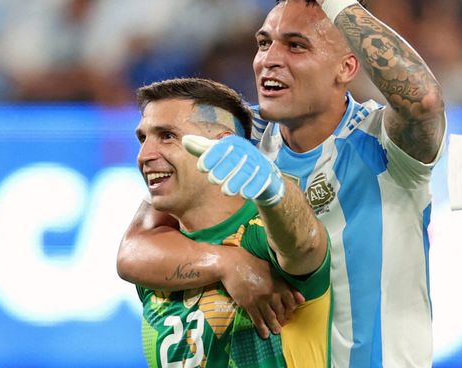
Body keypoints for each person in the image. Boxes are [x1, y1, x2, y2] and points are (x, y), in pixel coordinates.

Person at [118, 0, 446, 367]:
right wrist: (226, 263)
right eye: (263, 42)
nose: (269, 60)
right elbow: (134, 249)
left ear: (346, 69)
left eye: (295, 45)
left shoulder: (385, 145)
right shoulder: (239, 139)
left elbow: (424, 101)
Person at [133, 77, 331, 367]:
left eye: (167, 136)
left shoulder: (263, 237)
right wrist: (224, 262)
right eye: (142, 138)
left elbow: (304, 244)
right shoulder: (159, 258)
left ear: (222, 146)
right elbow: (129, 254)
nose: (144, 155)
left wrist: (273, 188)